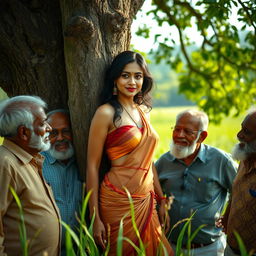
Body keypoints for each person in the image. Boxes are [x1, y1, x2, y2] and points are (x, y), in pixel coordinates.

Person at [86, 50, 174, 256]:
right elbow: (92, 165)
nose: (132, 81)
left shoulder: (143, 112)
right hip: (117, 202)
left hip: (146, 200)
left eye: (138, 76)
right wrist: (95, 218)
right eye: (125, 75)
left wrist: (161, 200)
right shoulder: (105, 113)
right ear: (115, 78)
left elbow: (148, 160)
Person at [155, 109, 237, 256]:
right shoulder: (164, 162)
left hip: (209, 249)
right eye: (177, 129)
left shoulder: (221, 161)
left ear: (202, 136)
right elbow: (151, 192)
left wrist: (228, 214)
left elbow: (239, 190)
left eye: (188, 132)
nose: (180, 135)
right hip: (170, 247)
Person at [0, 95, 61, 256]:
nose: (49, 128)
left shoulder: (28, 159)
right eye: (42, 124)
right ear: (24, 132)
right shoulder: (5, 163)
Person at [41, 109, 83, 256]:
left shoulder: (84, 162)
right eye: (53, 133)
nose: (60, 138)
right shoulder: (36, 165)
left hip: (81, 250)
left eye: (66, 131)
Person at [216, 110, 256, 256]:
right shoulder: (244, 159)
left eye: (247, 132)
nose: (239, 135)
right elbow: (236, 191)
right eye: (241, 128)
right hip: (231, 248)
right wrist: (227, 216)